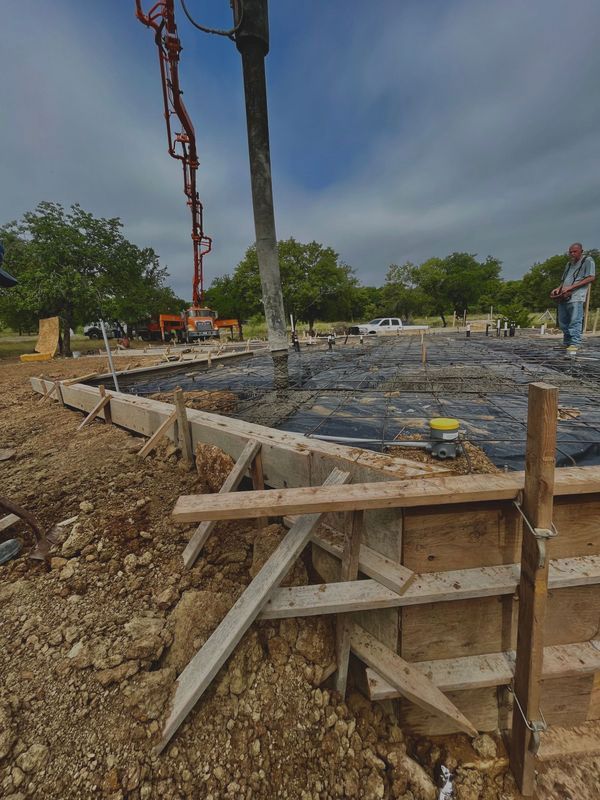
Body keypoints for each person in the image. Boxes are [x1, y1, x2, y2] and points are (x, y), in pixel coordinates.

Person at [550, 243, 595, 353]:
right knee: (563, 321)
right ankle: (567, 342)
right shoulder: (569, 264)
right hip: (564, 296)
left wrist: (572, 287)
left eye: (575, 251)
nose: (572, 254)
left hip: (577, 295)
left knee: (575, 320)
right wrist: (558, 289)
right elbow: (564, 280)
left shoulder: (587, 261)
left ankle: (575, 343)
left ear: (581, 251)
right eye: (570, 252)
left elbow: (591, 277)